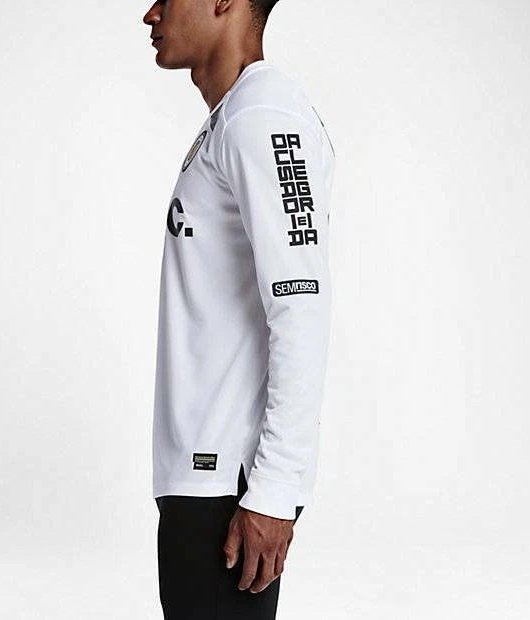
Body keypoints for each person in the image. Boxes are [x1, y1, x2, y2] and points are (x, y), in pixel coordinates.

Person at [142, 1, 336, 618]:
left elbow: (300, 306)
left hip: (228, 489)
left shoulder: (263, 114)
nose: (151, 14)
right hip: (201, 482)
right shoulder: (233, 119)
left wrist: (274, 489)